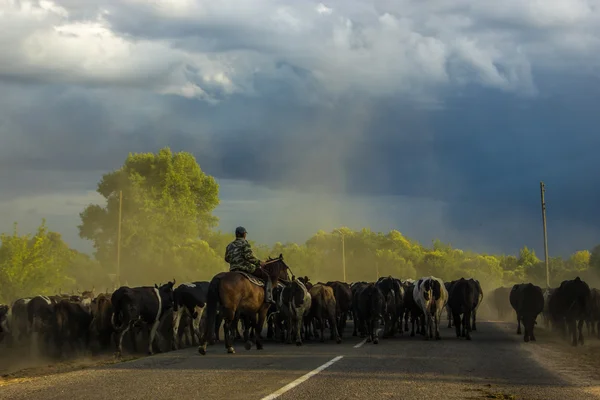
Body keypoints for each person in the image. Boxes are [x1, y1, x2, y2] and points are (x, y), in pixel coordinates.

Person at [224, 226, 275, 305]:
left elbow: (226, 258)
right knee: (266, 276)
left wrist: (235, 261)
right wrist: (260, 263)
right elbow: (249, 257)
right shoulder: (245, 243)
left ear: (236, 235)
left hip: (233, 269)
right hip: (245, 268)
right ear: (244, 234)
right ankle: (269, 298)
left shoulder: (229, 245)